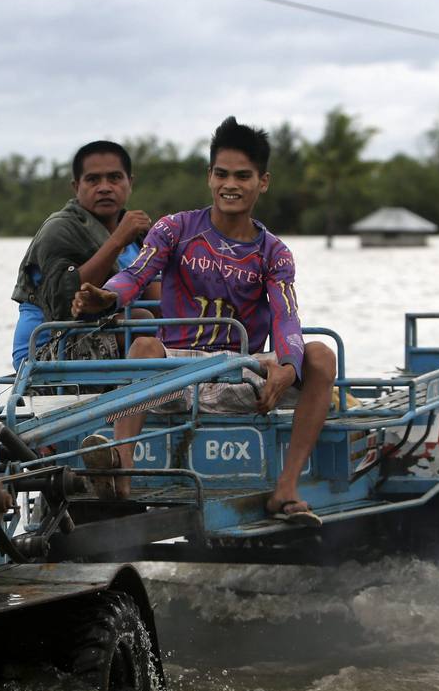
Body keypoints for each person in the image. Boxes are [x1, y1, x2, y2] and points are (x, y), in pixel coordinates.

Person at [71, 116, 337, 526]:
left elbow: (287, 317)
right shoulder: (175, 229)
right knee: (143, 344)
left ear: (262, 182)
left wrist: (288, 366)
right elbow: (135, 275)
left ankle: (285, 489)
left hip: (239, 371)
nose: (231, 184)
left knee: (320, 354)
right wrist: (108, 296)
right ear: (209, 177)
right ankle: (120, 472)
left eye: (243, 176)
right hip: (174, 376)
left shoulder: (274, 253)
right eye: (222, 174)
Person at [10, 141, 156, 369]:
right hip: (47, 352)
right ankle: (138, 401)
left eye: (115, 178)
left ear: (130, 183)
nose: (105, 187)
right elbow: (62, 306)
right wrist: (117, 240)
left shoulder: (139, 233)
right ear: (76, 186)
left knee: (169, 324)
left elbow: (159, 299)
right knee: (140, 321)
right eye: (93, 179)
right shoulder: (59, 229)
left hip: (111, 336)